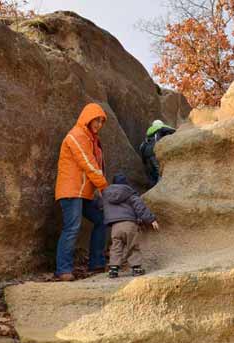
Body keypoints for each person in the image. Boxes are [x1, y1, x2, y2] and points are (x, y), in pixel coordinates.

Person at [54, 103, 109, 282]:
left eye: (102, 122)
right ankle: (63, 270)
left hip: (83, 193)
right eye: (97, 120)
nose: (99, 125)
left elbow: (98, 165)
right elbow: (88, 163)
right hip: (71, 191)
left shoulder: (92, 139)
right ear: (87, 118)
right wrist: (104, 188)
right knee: (72, 227)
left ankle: (97, 262)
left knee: (101, 219)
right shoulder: (76, 135)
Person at [102, 173, 159, 278]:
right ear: (126, 184)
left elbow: (100, 206)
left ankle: (113, 269)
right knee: (132, 246)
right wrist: (151, 219)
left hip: (115, 226)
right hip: (129, 224)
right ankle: (136, 268)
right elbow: (140, 207)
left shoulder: (106, 194)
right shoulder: (130, 193)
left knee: (116, 247)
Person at [139, 119, 176, 188]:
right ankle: (159, 188)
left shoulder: (149, 134)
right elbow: (171, 130)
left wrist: (144, 161)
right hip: (154, 152)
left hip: (146, 155)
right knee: (159, 171)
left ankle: (153, 188)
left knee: (152, 173)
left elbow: (142, 147)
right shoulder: (160, 128)